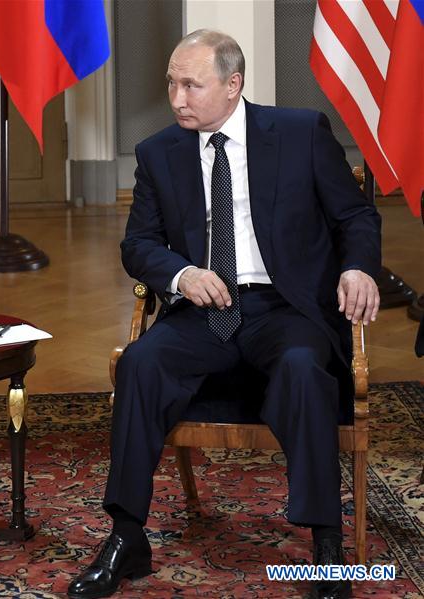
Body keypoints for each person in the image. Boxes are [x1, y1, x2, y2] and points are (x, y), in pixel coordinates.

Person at [68, 30, 380, 599]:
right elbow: (138, 245)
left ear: (233, 84)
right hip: (204, 308)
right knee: (139, 363)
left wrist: (357, 268)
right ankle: (126, 535)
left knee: (303, 370)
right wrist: (183, 275)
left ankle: (326, 544)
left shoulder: (300, 133)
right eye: (171, 84)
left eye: (191, 85)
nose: (177, 98)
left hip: (285, 307)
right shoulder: (158, 152)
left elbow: (355, 216)